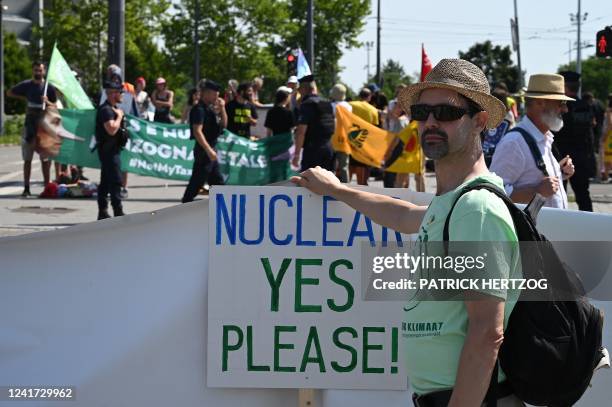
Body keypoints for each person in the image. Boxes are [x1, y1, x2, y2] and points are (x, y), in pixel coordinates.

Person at [291, 59, 523, 406]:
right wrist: (338, 190)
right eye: (421, 112)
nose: (429, 122)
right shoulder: (455, 202)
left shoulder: (475, 209)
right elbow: (405, 215)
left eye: (445, 112)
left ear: (480, 121)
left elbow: (487, 332)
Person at [490, 73, 575, 209]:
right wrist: (537, 192)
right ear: (540, 103)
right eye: (561, 103)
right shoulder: (514, 143)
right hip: (532, 230)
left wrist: (559, 171)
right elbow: (493, 194)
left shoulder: (543, 137)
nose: (565, 109)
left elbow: (532, 177)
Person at [8, 61, 58, 197]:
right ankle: (26, 188)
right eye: (36, 70)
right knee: (27, 159)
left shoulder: (49, 87)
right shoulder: (26, 85)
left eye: (40, 70)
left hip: (44, 127)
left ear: (44, 71)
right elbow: (10, 92)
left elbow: (55, 106)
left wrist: (47, 102)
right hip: (29, 126)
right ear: (33, 71)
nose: (38, 73)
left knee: (45, 160)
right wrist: (25, 97)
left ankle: (47, 188)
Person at [553, 71, 595, 212]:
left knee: (559, 197)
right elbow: (591, 136)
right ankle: (589, 226)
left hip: (562, 159)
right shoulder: (586, 106)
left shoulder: (562, 107)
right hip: (582, 158)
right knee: (583, 197)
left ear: (564, 87)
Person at [181, 80, 227, 203]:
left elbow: (223, 125)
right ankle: (184, 205)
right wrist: (208, 150)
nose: (217, 96)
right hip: (204, 151)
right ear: (206, 93)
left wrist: (222, 109)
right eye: (214, 94)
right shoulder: (199, 109)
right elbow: (197, 131)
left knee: (218, 182)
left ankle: (224, 206)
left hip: (211, 150)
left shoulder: (210, 109)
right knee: (197, 182)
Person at [95, 81, 127, 220]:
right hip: (109, 151)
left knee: (106, 182)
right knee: (115, 181)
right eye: (120, 92)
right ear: (113, 93)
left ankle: (102, 212)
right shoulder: (106, 110)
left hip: (112, 149)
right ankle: (118, 212)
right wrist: (119, 116)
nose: (122, 95)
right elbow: (112, 129)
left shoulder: (112, 108)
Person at [291, 75, 336, 172]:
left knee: (308, 183)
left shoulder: (307, 104)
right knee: (327, 184)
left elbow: (301, 132)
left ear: (303, 89)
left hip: (313, 151)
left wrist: (297, 154)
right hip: (329, 148)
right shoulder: (327, 103)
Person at [349, 88, 380, 185]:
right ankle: (362, 189)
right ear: (369, 97)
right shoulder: (373, 110)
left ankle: (344, 187)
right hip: (364, 142)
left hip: (350, 139)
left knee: (349, 165)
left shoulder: (351, 105)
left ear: (359, 95)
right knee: (362, 167)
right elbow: (374, 128)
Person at [329, 83, 352, 183]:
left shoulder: (331, 106)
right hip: (344, 138)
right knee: (344, 167)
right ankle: (346, 187)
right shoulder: (349, 106)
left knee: (331, 167)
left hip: (332, 138)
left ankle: (330, 186)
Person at [601, 93, 612, 182]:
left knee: (608, 157)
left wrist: (604, 136)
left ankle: (607, 175)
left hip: (609, 135)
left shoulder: (609, 110)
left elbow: (610, 124)